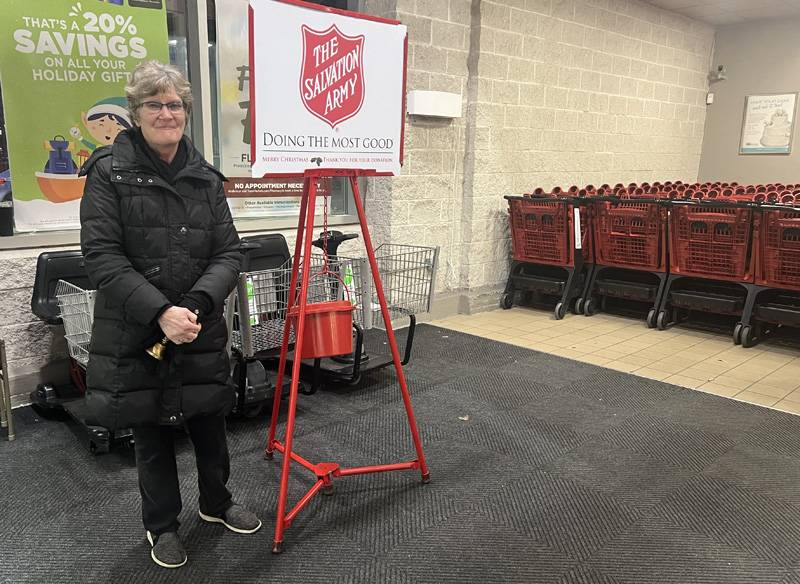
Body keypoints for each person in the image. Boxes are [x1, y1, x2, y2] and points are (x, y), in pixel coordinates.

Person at [79, 60, 261, 570]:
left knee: (209, 420)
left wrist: (197, 306)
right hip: (138, 328)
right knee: (151, 430)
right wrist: (160, 312)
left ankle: (216, 504)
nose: (166, 113)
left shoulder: (205, 177)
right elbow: (102, 258)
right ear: (136, 113)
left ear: (186, 111)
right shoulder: (106, 173)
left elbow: (229, 252)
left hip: (197, 324)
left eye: (175, 104)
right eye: (154, 104)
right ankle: (161, 524)